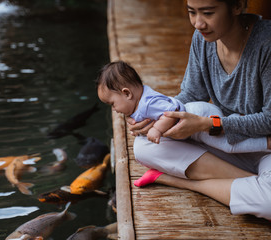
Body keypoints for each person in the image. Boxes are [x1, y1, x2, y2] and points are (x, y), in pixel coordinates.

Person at [125, 0, 271, 220]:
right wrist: (154, 117)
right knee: (144, 146)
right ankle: (252, 184)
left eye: (208, 13)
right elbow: (191, 95)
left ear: (237, 6)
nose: (198, 23)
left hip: (264, 145)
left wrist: (211, 125)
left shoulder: (266, 44)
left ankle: (181, 181)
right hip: (228, 143)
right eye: (191, 12)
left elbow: (269, 119)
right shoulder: (203, 40)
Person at [96, 60, 270, 154]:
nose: (114, 109)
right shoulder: (140, 102)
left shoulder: (148, 103)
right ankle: (234, 121)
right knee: (142, 148)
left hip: (199, 116)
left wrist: (156, 129)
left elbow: (172, 112)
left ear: (127, 93)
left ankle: (267, 143)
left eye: (112, 104)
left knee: (229, 146)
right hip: (194, 118)